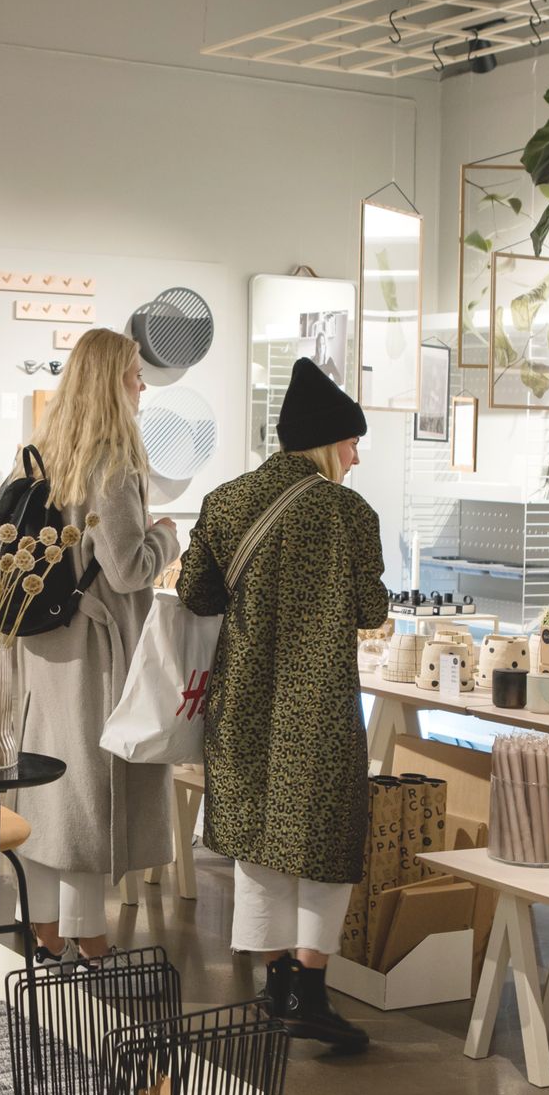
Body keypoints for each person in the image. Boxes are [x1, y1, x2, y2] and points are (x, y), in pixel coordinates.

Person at [178, 357, 387, 1052]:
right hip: (320, 706)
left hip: (241, 702)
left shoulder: (226, 502)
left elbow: (197, 596)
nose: (356, 457)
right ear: (327, 442)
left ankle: (276, 987)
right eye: (352, 443)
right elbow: (369, 610)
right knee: (325, 847)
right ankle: (311, 990)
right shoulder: (349, 514)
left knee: (257, 841)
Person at [15, 327, 181, 964]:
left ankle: (48, 930)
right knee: (88, 797)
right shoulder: (114, 461)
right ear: (113, 380)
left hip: (44, 646)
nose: (142, 385)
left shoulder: (40, 451)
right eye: (136, 373)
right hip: (94, 650)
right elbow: (128, 568)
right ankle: (90, 939)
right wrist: (169, 535)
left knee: (49, 795)